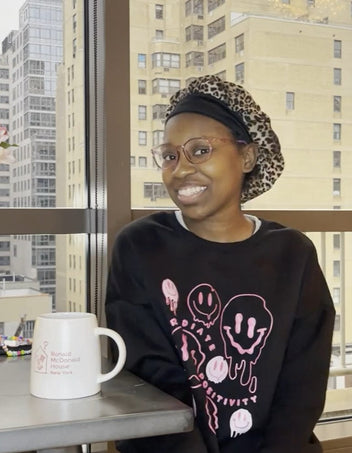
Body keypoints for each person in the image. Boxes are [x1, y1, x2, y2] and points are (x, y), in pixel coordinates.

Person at [105, 75, 335, 453]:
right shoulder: (141, 246)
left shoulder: (293, 254)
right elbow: (147, 378)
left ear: (246, 156)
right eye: (170, 155)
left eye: (199, 150)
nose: (180, 170)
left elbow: (302, 390)